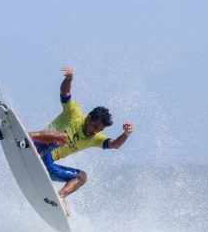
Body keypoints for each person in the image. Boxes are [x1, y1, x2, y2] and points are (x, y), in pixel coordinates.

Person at [29, 66, 134, 216]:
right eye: (94, 126)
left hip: (47, 163)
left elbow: (114, 145)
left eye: (99, 130)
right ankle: (27, 136)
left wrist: (125, 134)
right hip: (37, 147)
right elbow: (65, 93)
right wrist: (68, 79)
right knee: (63, 137)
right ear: (89, 118)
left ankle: (60, 197)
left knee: (82, 176)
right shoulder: (73, 113)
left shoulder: (94, 139)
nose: (95, 131)